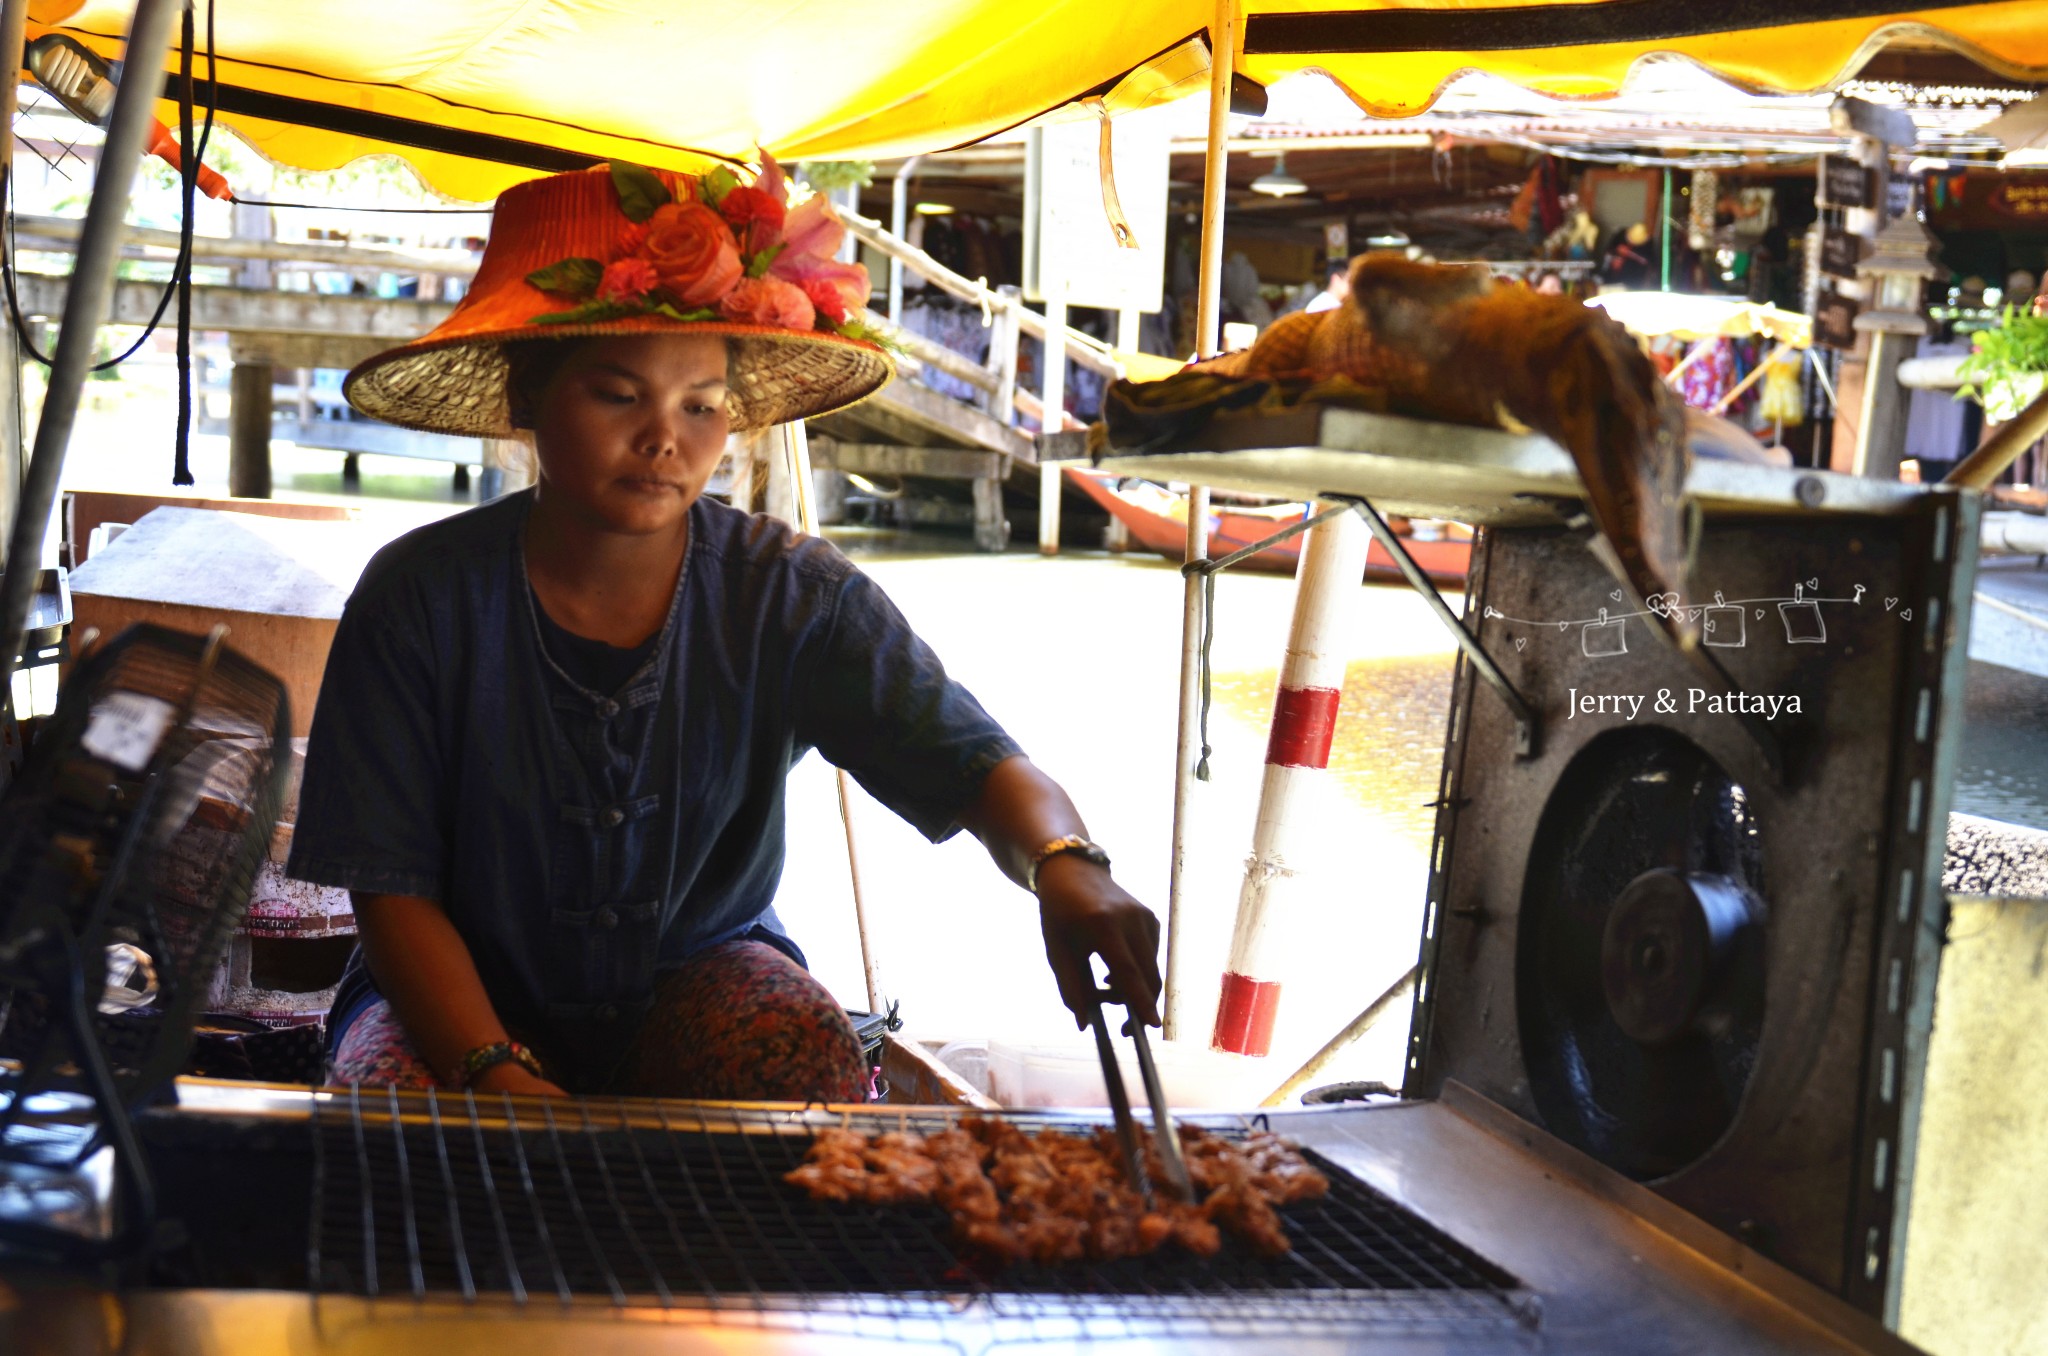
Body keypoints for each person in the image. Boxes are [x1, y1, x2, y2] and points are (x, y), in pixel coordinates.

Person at [288, 160, 1162, 1101]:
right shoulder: (419, 595)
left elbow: (969, 758)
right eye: (618, 395)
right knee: (395, 1110)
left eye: (701, 405)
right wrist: (494, 1069)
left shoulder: (790, 595)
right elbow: (390, 889)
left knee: (803, 1059)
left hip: (702, 970)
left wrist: (1069, 868)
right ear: (528, 400)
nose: (666, 437)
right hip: (456, 992)